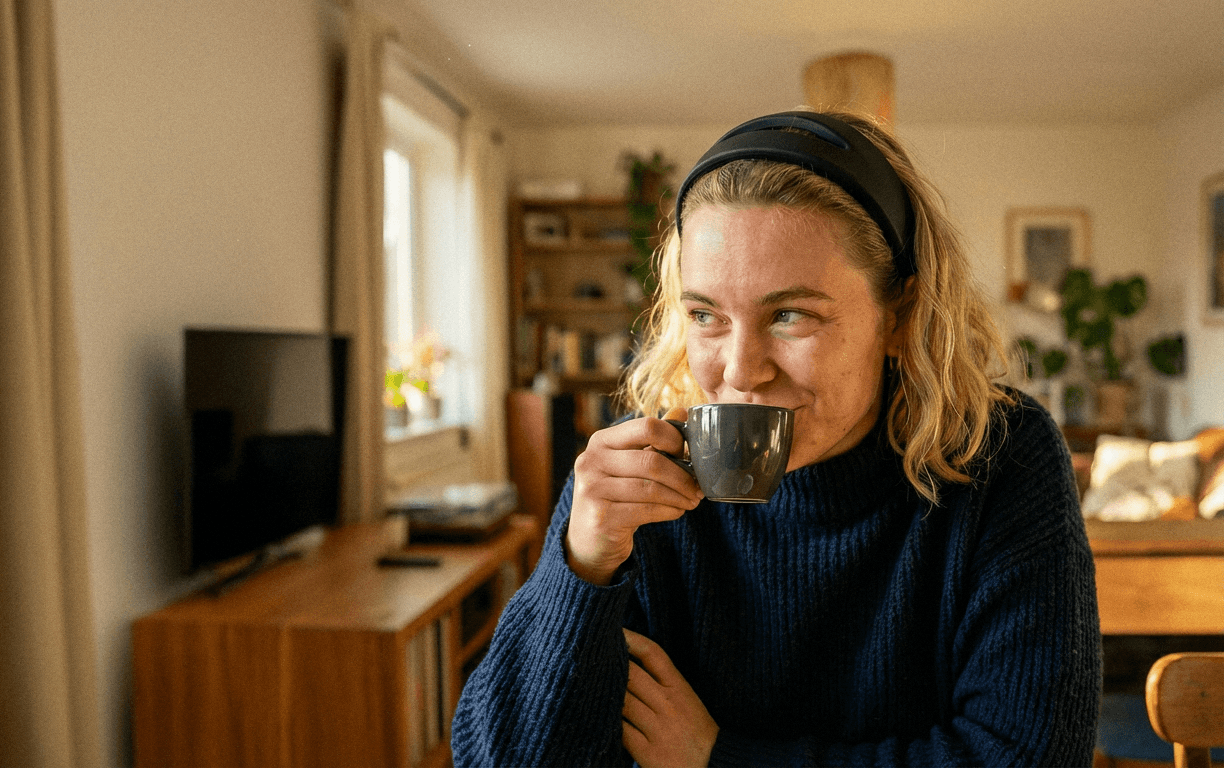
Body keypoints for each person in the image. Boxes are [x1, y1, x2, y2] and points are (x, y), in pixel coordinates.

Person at [451, 110, 1100, 767]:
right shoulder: (637, 477)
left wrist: (720, 759)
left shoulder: (1000, 457)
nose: (739, 371)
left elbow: (1028, 758)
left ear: (900, 317)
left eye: (790, 315)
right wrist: (581, 567)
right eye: (705, 315)